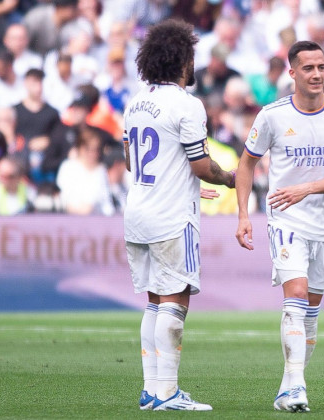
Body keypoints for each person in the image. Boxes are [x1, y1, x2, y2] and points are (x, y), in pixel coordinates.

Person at [235, 40, 324, 413]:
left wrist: (305, 188)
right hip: (286, 219)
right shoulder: (271, 116)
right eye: (308, 68)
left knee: (312, 308)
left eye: (321, 66)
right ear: (292, 73)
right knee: (297, 294)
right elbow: (245, 165)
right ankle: (298, 386)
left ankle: (288, 384)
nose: (317, 74)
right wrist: (243, 215)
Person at [123, 19, 235, 412]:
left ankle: (151, 390)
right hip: (171, 217)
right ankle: (168, 392)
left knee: (154, 300)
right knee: (175, 299)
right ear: (183, 60)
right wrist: (231, 179)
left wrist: (184, 181)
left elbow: (129, 160)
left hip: (137, 211)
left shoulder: (135, 102)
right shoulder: (188, 104)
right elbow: (203, 166)